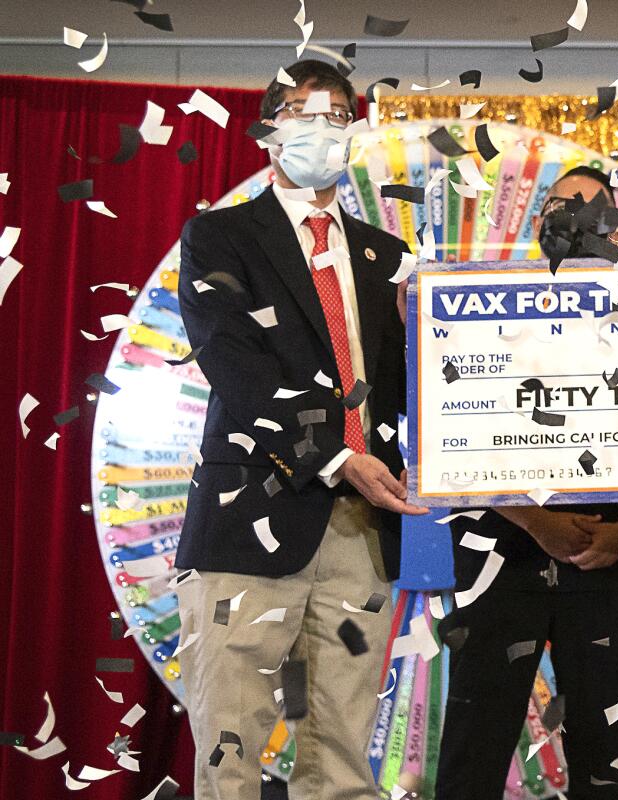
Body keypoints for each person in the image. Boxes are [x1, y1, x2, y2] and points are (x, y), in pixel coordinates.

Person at [175, 59, 427, 800]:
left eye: (337, 115)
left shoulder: (384, 256)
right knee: (231, 745)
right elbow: (235, 365)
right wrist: (339, 456)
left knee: (345, 752)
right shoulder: (220, 237)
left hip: (360, 526)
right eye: (300, 112)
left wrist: (430, 351)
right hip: (249, 514)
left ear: (356, 131)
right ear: (268, 132)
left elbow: (398, 395)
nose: (320, 128)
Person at [434, 166, 618, 800]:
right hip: (500, 552)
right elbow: (453, 429)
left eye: (586, 210)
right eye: (557, 205)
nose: (568, 220)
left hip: (608, 553)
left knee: (602, 744)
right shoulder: (486, 307)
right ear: (538, 222)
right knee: (476, 737)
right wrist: (535, 521)